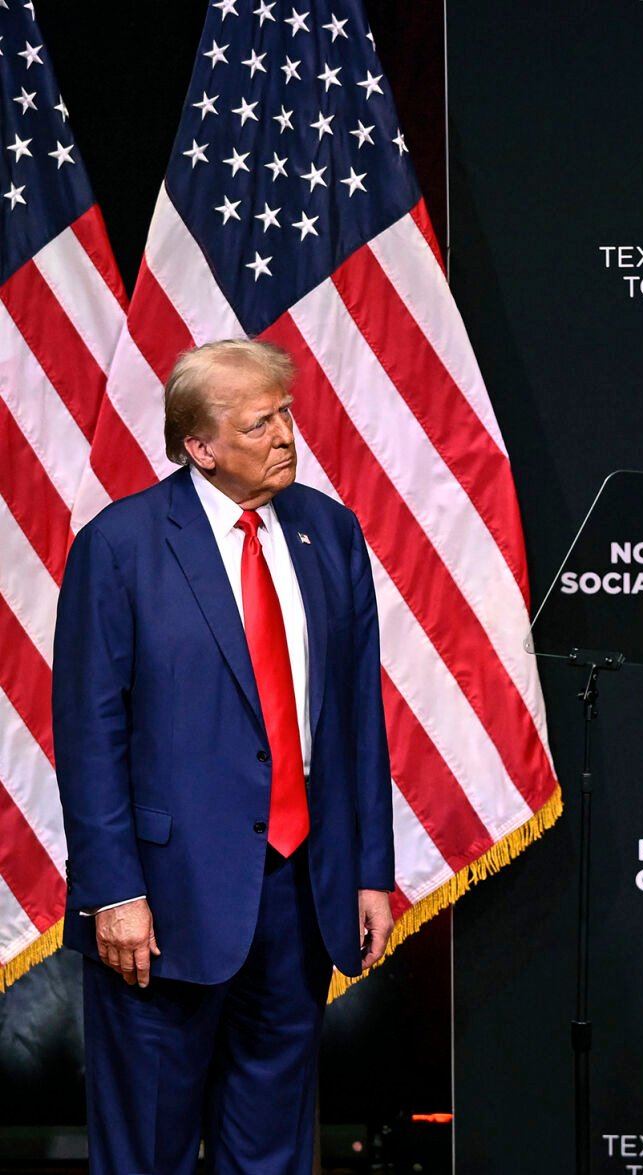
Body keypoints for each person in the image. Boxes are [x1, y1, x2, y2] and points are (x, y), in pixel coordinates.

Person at [53, 339, 394, 1175]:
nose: (287, 435)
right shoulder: (121, 544)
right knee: (148, 1150)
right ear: (199, 447)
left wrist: (369, 870)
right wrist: (114, 893)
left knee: (272, 1146)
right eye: (261, 422)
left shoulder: (329, 530)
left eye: (285, 413)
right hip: (162, 906)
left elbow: (356, 716)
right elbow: (89, 732)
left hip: (299, 891)